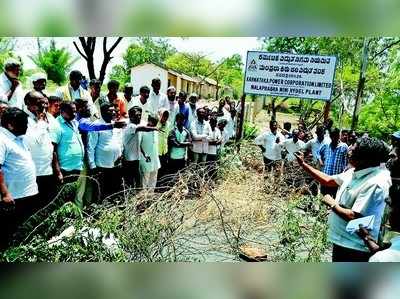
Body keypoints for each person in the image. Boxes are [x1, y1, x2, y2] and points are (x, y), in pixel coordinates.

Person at [296, 137, 391, 262]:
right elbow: (328, 180)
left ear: (366, 157)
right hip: (343, 242)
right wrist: (303, 164)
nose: (349, 150)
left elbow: (355, 216)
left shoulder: (375, 182)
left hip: (355, 247)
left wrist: (332, 203)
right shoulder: (354, 171)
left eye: (354, 149)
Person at [0, 107, 38, 249]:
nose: (27, 126)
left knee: (24, 232)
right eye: (23, 123)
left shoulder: (18, 138)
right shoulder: (2, 139)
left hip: (26, 194)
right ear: (10, 124)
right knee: (9, 234)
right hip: (13, 198)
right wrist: (5, 194)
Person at [24, 91, 62, 208]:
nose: (44, 106)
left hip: (47, 171)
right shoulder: (25, 120)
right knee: (36, 208)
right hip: (35, 174)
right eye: (40, 103)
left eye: (45, 103)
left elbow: (50, 147)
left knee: (48, 206)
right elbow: (37, 141)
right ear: (28, 103)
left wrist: (56, 170)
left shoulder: (43, 119)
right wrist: (41, 122)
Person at [87, 103, 123, 201]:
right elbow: (91, 147)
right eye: (110, 111)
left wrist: (120, 154)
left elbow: (119, 142)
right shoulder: (96, 126)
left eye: (114, 110)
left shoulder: (115, 125)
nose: (113, 112)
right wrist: (92, 166)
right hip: (102, 166)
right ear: (102, 112)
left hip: (116, 165)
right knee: (102, 193)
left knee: (114, 191)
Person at [122, 106, 158, 190]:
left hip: (135, 159)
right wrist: (154, 128)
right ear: (130, 116)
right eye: (137, 115)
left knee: (138, 183)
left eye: (140, 115)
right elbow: (142, 128)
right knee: (130, 183)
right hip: (129, 160)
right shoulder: (130, 126)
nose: (139, 117)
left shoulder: (136, 125)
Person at [52, 102, 85, 183]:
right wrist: (58, 172)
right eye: (71, 111)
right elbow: (52, 150)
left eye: (75, 111)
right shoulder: (56, 125)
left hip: (77, 167)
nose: (74, 114)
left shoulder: (74, 122)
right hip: (65, 169)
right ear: (62, 111)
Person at [319, 128, 349, 196]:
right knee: (323, 198)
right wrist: (320, 161)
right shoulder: (326, 145)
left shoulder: (344, 147)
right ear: (330, 136)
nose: (334, 138)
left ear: (338, 136)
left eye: (336, 136)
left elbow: (346, 162)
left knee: (334, 200)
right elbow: (318, 153)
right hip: (325, 178)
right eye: (332, 136)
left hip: (336, 180)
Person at [139, 114, 160, 192]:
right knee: (144, 181)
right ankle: (143, 198)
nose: (155, 124)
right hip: (145, 159)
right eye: (153, 122)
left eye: (156, 122)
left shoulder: (155, 130)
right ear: (149, 120)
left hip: (155, 159)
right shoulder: (142, 130)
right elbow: (139, 145)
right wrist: (144, 155)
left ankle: (151, 196)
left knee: (153, 179)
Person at [157, 109, 171, 186]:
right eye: (163, 115)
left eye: (166, 116)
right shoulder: (156, 124)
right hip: (157, 150)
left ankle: (162, 184)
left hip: (164, 150)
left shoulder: (168, 124)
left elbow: (167, 136)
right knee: (157, 169)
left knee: (163, 168)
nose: (165, 117)